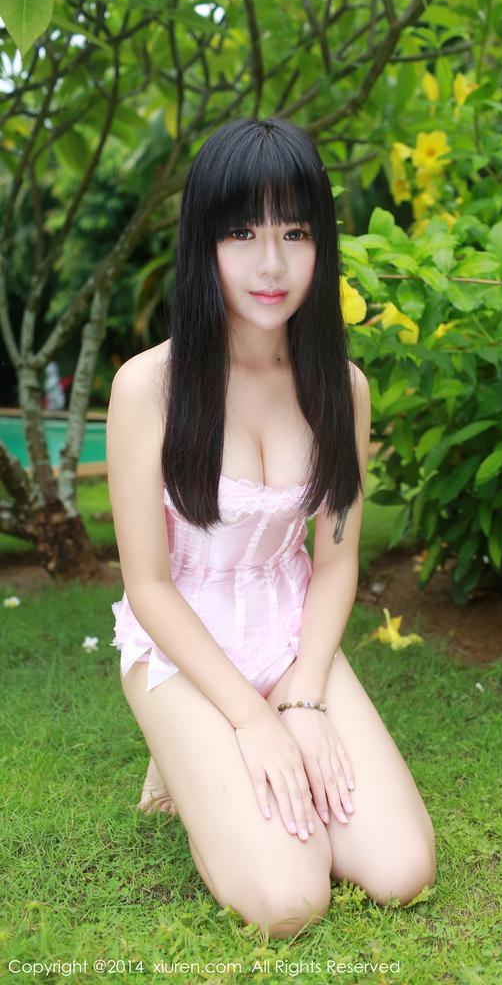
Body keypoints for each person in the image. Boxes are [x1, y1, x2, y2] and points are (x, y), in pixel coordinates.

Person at [107, 116, 436, 939]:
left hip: (291, 635)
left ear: (321, 242)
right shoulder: (148, 387)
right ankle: (185, 764)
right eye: (242, 233)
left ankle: (222, 765)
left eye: (295, 232)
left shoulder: (341, 387)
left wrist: (305, 697)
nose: (271, 264)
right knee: (290, 899)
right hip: (180, 648)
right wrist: (253, 721)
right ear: (204, 244)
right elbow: (147, 585)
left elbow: (335, 564)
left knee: (401, 871)